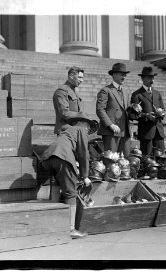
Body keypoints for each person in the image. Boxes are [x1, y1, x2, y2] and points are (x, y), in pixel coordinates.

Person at [41, 66, 98, 239]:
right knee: (70, 189)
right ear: (71, 75)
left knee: (59, 186)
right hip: (64, 146)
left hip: (50, 155)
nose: (81, 80)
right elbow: (83, 154)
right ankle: (70, 229)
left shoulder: (75, 93)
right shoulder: (61, 91)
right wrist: (86, 175)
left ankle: (53, 225)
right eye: (79, 77)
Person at [96, 63, 131, 157]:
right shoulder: (106, 90)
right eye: (121, 74)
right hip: (111, 132)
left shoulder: (126, 92)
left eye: (125, 74)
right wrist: (111, 124)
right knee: (111, 162)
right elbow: (100, 110)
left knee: (126, 163)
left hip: (125, 132)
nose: (123, 77)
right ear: (114, 74)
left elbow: (128, 111)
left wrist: (136, 111)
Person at [131, 66, 165, 156]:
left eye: (153, 77)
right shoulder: (136, 95)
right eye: (149, 77)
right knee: (147, 161)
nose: (152, 80)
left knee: (162, 159)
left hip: (159, 133)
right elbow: (134, 115)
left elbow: (163, 109)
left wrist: (161, 112)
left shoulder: (157, 93)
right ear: (142, 78)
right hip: (146, 133)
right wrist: (146, 116)